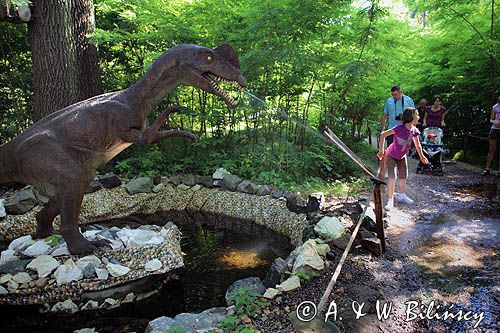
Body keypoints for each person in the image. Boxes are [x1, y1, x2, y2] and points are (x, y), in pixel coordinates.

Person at [377, 107, 429, 210]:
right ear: (411, 117)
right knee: (392, 176)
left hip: (402, 156)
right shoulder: (399, 128)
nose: (418, 117)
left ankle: (401, 195)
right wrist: (381, 150)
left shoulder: (414, 130)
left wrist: (422, 156)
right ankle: (390, 199)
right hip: (391, 155)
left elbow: (418, 145)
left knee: (403, 175)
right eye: (417, 115)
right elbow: (383, 135)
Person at [481, 96, 500, 175]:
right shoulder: (495, 107)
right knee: (491, 149)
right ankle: (487, 169)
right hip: (495, 130)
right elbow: (491, 119)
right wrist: (495, 122)